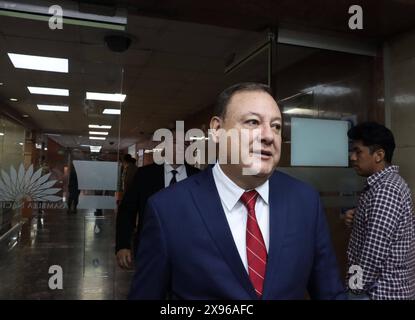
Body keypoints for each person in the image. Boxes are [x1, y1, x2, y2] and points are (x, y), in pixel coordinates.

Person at [128, 82, 346, 299]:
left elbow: (330, 293)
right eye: (253, 122)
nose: (269, 136)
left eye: (276, 126)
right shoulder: (168, 209)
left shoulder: (305, 201)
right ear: (217, 130)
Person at [345, 122, 415, 300]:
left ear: (379, 155)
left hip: (379, 293)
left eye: (358, 151)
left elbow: (373, 253)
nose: (352, 157)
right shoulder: (380, 186)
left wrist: (354, 289)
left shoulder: (386, 189)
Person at [115, 137, 200, 269]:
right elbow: (127, 211)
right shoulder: (145, 175)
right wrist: (123, 245)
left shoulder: (198, 177)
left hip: (189, 252)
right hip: (151, 250)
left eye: (183, 144)